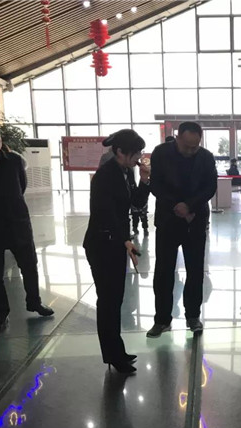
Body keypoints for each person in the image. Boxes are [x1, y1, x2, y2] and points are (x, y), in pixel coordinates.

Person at [83, 129, 150, 374]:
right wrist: (125, 239)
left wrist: (144, 180)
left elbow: (136, 204)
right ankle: (112, 355)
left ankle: (117, 352)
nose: (139, 156)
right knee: (108, 301)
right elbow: (105, 213)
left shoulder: (126, 171)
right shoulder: (105, 175)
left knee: (115, 300)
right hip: (102, 245)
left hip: (116, 243)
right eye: (136, 152)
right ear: (120, 151)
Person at [0, 121, 54, 333]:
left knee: (29, 266)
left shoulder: (14, 160)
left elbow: (21, 186)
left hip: (18, 223)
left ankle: (34, 302)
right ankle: (1, 314)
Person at [148, 121, 217, 337]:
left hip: (195, 220)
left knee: (195, 271)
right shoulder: (161, 153)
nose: (190, 151)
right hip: (168, 219)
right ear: (177, 138)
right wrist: (176, 206)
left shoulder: (206, 157)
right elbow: (155, 184)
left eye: (195, 147)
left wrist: (189, 206)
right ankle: (162, 319)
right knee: (164, 271)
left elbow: (210, 187)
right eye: (186, 146)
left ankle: (193, 316)